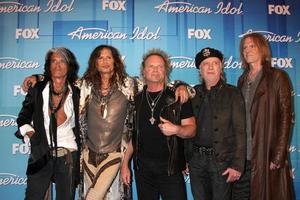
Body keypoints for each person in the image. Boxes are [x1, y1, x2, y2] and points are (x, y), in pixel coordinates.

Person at [22, 45, 191, 199]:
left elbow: (158, 82)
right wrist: (38, 76)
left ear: (116, 61)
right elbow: (60, 77)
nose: (105, 61)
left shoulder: (129, 84)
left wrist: (181, 86)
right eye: (100, 57)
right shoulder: (84, 85)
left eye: (109, 57)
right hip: (88, 154)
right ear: (95, 62)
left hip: (115, 154)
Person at [121, 49, 196, 200]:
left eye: (160, 66)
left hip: (171, 170)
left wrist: (176, 129)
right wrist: (125, 164)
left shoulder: (177, 97)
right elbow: (134, 137)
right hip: (143, 171)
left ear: (166, 69)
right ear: (143, 70)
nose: (155, 70)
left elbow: (192, 130)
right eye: (151, 66)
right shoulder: (136, 100)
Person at [232, 32, 294, 200]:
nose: (247, 50)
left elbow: (285, 117)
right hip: (243, 157)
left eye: (252, 46)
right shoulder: (242, 79)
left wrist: (279, 155)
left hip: (265, 153)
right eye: (244, 47)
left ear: (262, 48)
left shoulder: (278, 77)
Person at [16, 47, 81, 200]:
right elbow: (23, 117)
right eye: (54, 61)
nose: (58, 65)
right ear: (48, 65)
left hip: (68, 154)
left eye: (62, 61)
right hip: (41, 153)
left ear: (69, 65)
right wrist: (31, 134)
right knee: (33, 196)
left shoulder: (77, 92)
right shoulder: (38, 90)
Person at [185, 47, 246, 200]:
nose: (211, 67)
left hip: (222, 162)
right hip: (196, 161)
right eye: (206, 64)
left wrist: (237, 165)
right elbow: (185, 128)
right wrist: (184, 160)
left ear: (221, 67)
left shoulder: (233, 94)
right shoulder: (192, 93)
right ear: (200, 69)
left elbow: (241, 131)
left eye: (215, 63)